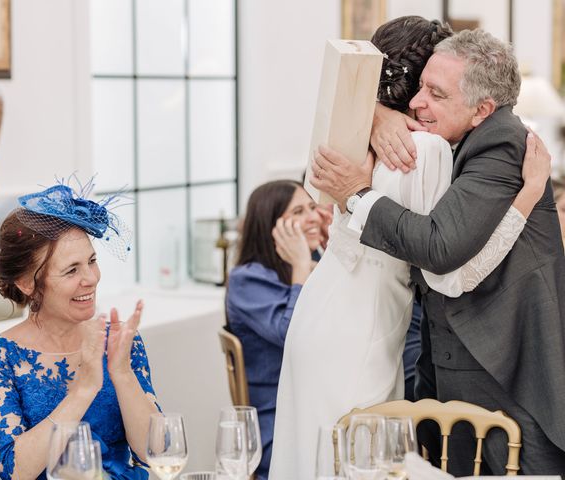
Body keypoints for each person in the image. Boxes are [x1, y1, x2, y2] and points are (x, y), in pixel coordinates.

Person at [269, 18, 551, 479]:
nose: (425, 100)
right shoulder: (430, 151)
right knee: (365, 461)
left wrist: (372, 113)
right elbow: (448, 271)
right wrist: (526, 198)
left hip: (318, 314)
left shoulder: (349, 131)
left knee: (318, 453)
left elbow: (321, 190)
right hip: (365, 329)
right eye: (427, 86)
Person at [0, 181, 159, 480]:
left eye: (92, 261)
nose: (91, 279)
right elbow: (14, 471)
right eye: (72, 270)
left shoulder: (121, 341)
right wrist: (84, 389)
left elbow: (158, 453)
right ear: (26, 283)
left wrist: (121, 373)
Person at [225, 180, 324, 480]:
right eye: (298, 211)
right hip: (278, 423)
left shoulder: (314, 263)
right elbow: (293, 335)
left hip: (315, 407)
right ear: (271, 226)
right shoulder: (246, 280)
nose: (313, 217)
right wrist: (301, 267)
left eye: (312, 207)